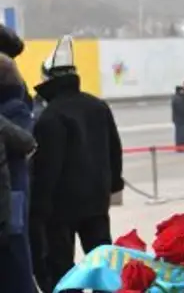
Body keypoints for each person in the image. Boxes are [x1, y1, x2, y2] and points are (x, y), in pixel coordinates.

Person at [28, 36, 124, 292]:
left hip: (60, 209)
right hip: (96, 200)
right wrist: (113, 184)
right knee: (104, 261)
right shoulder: (98, 106)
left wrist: (39, 209)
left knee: (63, 270)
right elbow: (114, 149)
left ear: (48, 79)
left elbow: (48, 169)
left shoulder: (51, 116)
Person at [0, 54, 38, 293]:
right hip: (9, 190)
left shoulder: (15, 108)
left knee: (15, 255)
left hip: (11, 191)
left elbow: (27, 143)